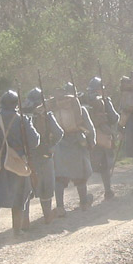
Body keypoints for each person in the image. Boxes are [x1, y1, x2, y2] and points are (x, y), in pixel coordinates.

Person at [0, 90, 39, 243]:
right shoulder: (23, 120)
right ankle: (17, 231)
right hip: (17, 163)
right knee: (19, 196)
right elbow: (34, 141)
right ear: (16, 104)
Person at [20, 87, 64, 226]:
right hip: (44, 155)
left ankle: (24, 220)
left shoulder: (22, 114)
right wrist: (51, 145)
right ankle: (47, 216)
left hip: (27, 157)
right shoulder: (46, 114)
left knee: (27, 187)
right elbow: (59, 132)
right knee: (46, 186)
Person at [53, 83, 96, 216]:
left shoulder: (54, 110)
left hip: (59, 144)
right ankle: (83, 203)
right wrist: (92, 143)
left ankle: (60, 207)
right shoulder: (81, 109)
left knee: (60, 177)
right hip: (78, 143)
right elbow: (90, 128)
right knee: (80, 176)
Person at [81, 76, 120, 200]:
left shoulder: (83, 100)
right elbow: (114, 118)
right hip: (103, 137)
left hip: (87, 137)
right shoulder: (104, 100)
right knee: (105, 166)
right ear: (99, 90)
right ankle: (108, 191)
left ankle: (84, 196)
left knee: (87, 166)